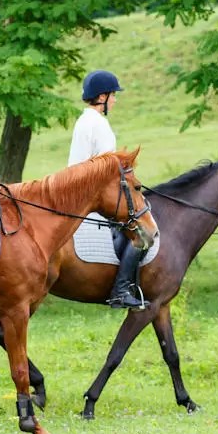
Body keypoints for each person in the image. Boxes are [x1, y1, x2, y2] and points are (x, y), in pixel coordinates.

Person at [68, 70, 149, 309]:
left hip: (83, 189)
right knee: (142, 234)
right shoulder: (98, 124)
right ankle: (121, 290)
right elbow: (105, 170)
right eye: (113, 95)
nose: (115, 100)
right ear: (102, 97)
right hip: (95, 193)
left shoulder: (84, 121)